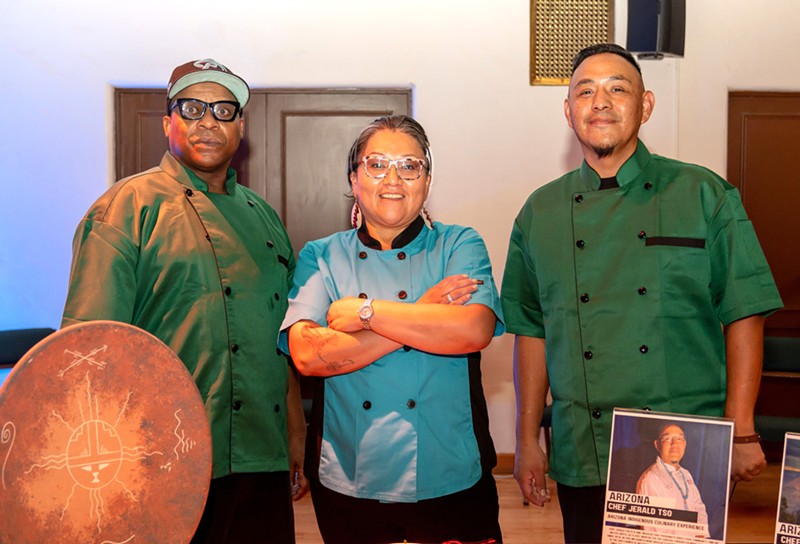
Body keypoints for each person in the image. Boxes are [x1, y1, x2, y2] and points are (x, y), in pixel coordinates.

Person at [501, 43, 783, 543]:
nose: (600, 101)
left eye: (617, 88)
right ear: (568, 111)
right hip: (584, 447)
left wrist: (741, 428)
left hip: (686, 439)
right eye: (584, 91)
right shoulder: (539, 213)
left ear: (646, 105)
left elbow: (745, 312)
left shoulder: (703, 194)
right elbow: (531, 328)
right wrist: (526, 439)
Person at [61, 58, 308, 543]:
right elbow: (88, 354)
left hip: (263, 451)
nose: (209, 122)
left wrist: (295, 430)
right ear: (167, 122)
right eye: (193, 108)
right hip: (163, 456)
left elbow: (283, 337)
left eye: (224, 109)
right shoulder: (126, 209)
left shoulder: (264, 218)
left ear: (241, 126)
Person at [280, 115, 504, 544]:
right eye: (377, 164)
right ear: (354, 177)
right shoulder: (322, 255)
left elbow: (473, 329)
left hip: (450, 472)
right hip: (350, 477)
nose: (393, 178)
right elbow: (307, 355)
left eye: (410, 165)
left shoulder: (458, 244)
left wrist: (363, 315)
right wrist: (422, 312)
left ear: (428, 180)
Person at [636, 423, 710, 538]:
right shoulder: (651, 478)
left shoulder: (686, 474)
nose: (675, 444)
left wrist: (701, 537)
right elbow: (656, 530)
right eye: (667, 438)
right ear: (657, 445)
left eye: (680, 439)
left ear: (685, 444)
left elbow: (699, 508)